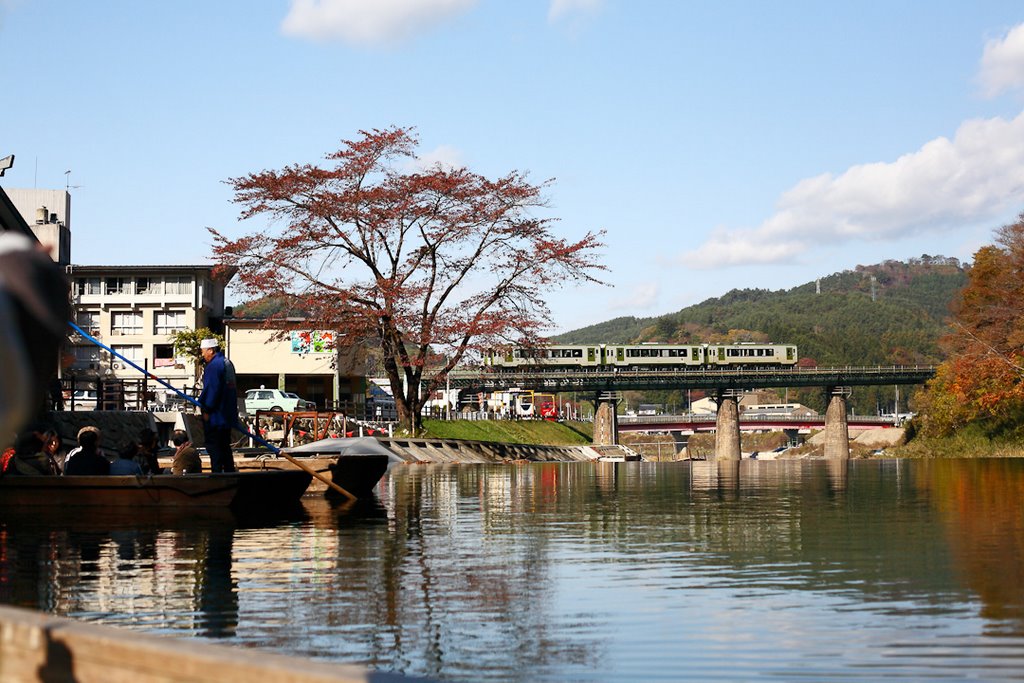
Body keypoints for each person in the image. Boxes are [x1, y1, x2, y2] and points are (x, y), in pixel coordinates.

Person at [197, 338, 237, 473]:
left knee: (215, 449)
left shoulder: (214, 366)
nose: (203, 354)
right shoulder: (227, 363)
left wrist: (207, 409)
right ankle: (230, 475)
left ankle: (217, 477)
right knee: (225, 448)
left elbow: (212, 389)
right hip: (227, 415)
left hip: (216, 416)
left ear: (210, 350)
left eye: (203, 351)